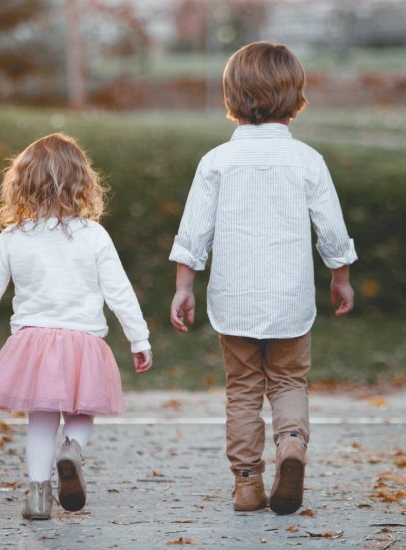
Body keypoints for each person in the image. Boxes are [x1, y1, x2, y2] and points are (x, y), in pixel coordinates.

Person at [169, 41, 357, 515]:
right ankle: (291, 445)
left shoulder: (216, 161)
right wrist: (341, 277)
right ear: (295, 97)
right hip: (290, 301)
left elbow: (194, 232)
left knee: (244, 390)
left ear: (231, 96)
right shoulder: (307, 161)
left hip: (234, 302)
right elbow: (331, 230)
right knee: (290, 382)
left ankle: (247, 483)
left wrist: (184, 286)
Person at [0, 132, 152, 520]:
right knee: (81, 412)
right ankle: (72, 450)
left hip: (33, 345)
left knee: (40, 420)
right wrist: (139, 338)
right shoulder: (94, 235)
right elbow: (120, 293)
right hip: (83, 343)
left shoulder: (12, 238)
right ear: (82, 182)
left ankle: (38, 496)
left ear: (21, 184)